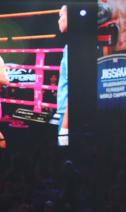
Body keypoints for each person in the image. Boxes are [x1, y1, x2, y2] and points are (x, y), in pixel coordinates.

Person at [56, 5, 69, 146]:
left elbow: (77, 88)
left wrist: (65, 126)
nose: (59, 20)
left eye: (61, 16)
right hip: (64, 112)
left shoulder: (75, 48)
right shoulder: (69, 47)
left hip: (68, 116)